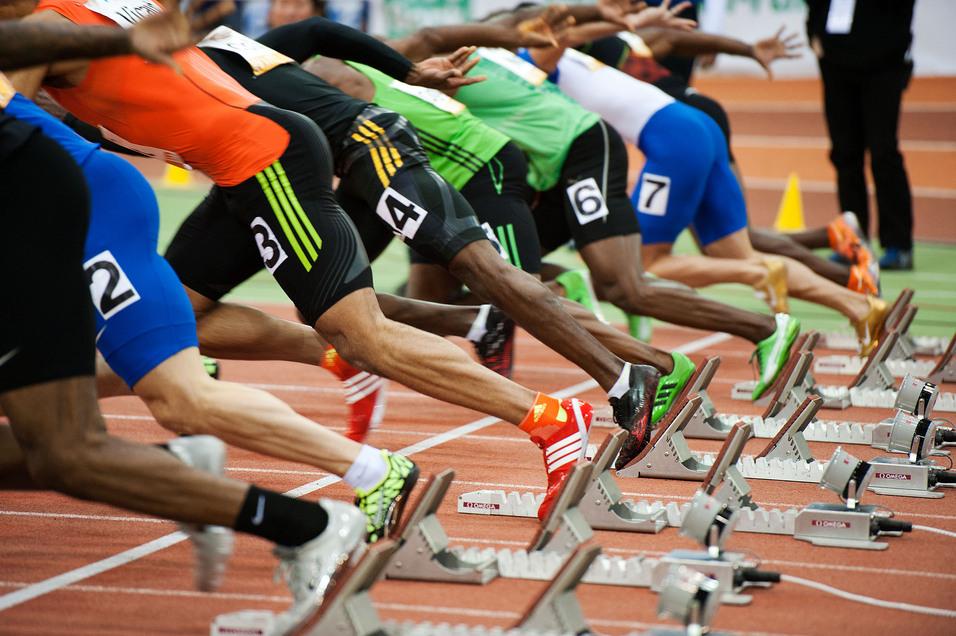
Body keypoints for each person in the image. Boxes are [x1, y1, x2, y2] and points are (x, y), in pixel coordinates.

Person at [23, 0, 617, 521]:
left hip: (264, 161)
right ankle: (334, 358)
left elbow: (14, 126)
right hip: (245, 164)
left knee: (366, 336)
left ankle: (551, 419)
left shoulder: (45, 26)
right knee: (182, 312)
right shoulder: (92, 11)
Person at [0, 18, 367, 633]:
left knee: (140, 414)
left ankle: (338, 497)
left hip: (41, 199)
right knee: (89, 430)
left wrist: (116, 43)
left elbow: (21, 35)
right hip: (47, 192)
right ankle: (181, 465)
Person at [806, 0, 916, 270]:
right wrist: (814, 35)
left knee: (883, 152)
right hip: (835, 63)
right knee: (844, 155)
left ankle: (898, 244)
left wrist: (893, 47)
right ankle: (853, 243)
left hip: (881, 64)